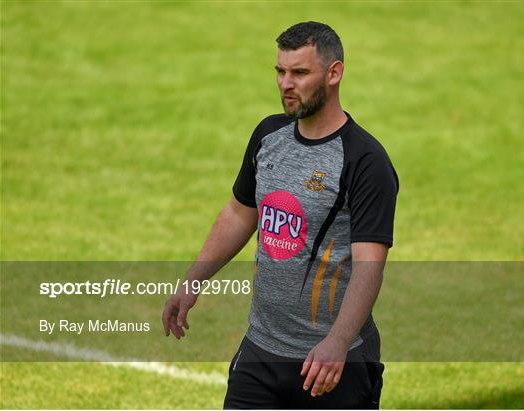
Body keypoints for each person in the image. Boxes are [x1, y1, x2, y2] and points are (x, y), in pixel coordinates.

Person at [162, 21, 398, 409]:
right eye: (280, 71)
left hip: (330, 363)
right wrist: (193, 281)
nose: (286, 83)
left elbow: (369, 266)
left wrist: (336, 342)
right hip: (260, 352)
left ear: (334, 73)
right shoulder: (268, 136)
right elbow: (240, 214)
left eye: (300, 73)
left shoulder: (365, 161)